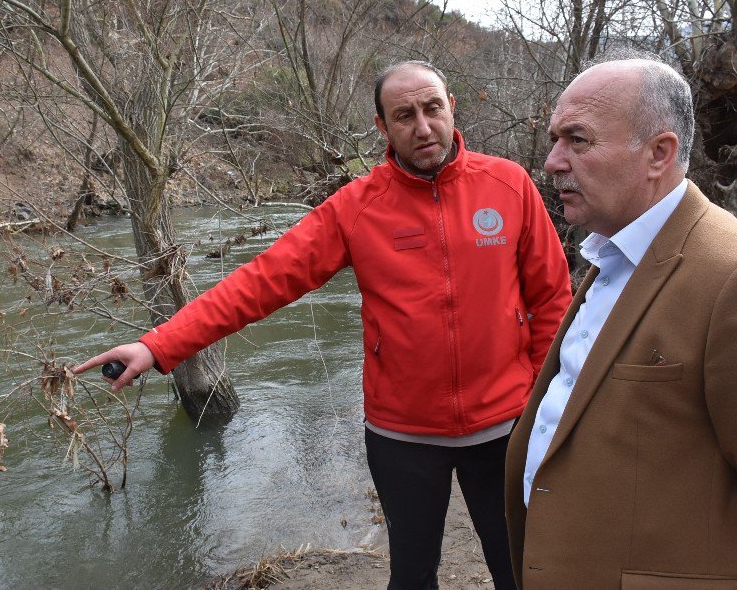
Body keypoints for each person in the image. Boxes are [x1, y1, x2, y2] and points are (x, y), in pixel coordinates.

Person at [76, 61, 572, 589]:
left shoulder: (508, 185)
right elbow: (261, 281)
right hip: (403, 434)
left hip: (505, 425)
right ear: (382, 127)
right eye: (403, 115)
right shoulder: (357, 209)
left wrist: (542, 402)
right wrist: (159, 345)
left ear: (452, 104)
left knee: (518, 569)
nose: (423, 127)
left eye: (432, 108)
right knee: (411, 576)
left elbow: (553, 301)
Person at [504, 54, 737, 589]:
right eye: (555, 139)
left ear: (659, 153)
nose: (553, 160)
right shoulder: (613, 254)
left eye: (577, 140)